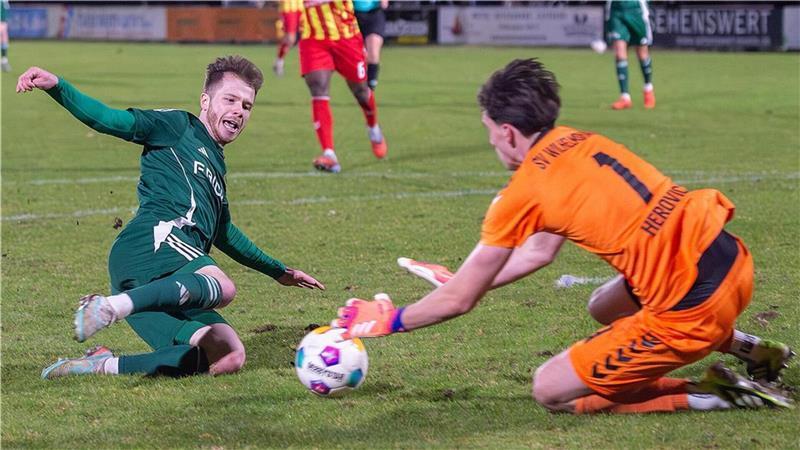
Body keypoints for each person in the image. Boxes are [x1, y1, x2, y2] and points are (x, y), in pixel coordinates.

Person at [333, 59, 795, 414]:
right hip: (730, 259)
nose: (492, 141)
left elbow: (460, 302)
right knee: (603, 306)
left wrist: (390, 319)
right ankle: (754, 350)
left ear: (509, 132)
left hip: (693, 307)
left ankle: (717, 394)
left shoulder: (525, 190)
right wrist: (465, 279)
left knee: (550, 390)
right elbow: (538, 252)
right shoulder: (581, 140)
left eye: (490, 131)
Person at [18, 56, 325, 379]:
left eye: (247, 106)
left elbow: (224, 233)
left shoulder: (217, 169)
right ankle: (107, 308)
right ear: (205, 101)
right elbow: (110, 120)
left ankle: (100, 365)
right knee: (224, 286)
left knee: (227, 354)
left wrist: (279, 271)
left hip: (167, 277)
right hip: (150, 246)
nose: (239, 110)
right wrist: (58, 87)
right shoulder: (179, 126)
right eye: (230, 99)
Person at [298, 0, 387, 174]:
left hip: (345, 36)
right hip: (313, 38)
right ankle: (329, 154)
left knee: (361, 92)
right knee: (318, 89)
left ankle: (373, 128)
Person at [605, 0, 655, 110]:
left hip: (636, 8)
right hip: (616, 9)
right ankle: (625, 97)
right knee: (619, 53)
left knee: (642, 53)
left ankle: (648, 88)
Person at [353, 0, 389, 90]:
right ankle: (360, 81)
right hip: (352, 14)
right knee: (356, 54)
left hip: (374, 14)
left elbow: (385, 4)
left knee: (373, 51)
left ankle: (371, 84)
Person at [273, 0, 304, 77]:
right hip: (288, 9)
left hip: (302, 7)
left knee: (305, 35)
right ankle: (279, 62)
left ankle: (307, 65)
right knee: (290, 39)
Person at [1, 0, 11, 72]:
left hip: (3, 23)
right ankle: (4, 61)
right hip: (2, 23)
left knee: (4, 42)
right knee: (3, 42)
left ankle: (4, 61)